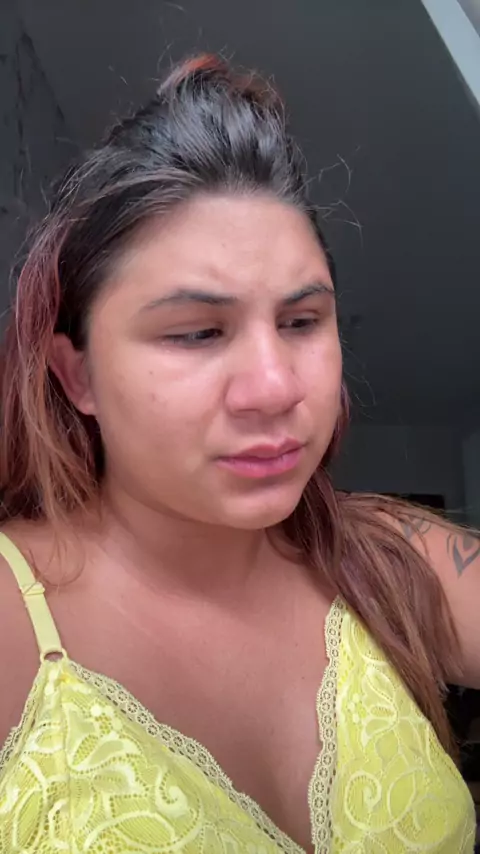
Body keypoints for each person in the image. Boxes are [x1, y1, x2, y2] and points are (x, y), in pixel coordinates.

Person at [0, 53, 478, 854]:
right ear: (77, 375)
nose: (274, 386)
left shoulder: (390, 558)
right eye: (196, 333)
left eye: (301, 322)